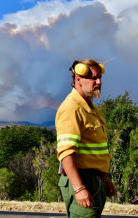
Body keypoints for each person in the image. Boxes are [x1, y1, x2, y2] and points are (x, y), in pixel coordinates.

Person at [55, 59, 115, 217]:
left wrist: (105, 178)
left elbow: (93, 150)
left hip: (95, 181)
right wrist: (79, 188)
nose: (99, 82)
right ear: (78, 79)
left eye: (100, 77)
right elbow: (66, 153)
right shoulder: (72, 108)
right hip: (83, 181)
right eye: (94, 78)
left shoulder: (89, 107)